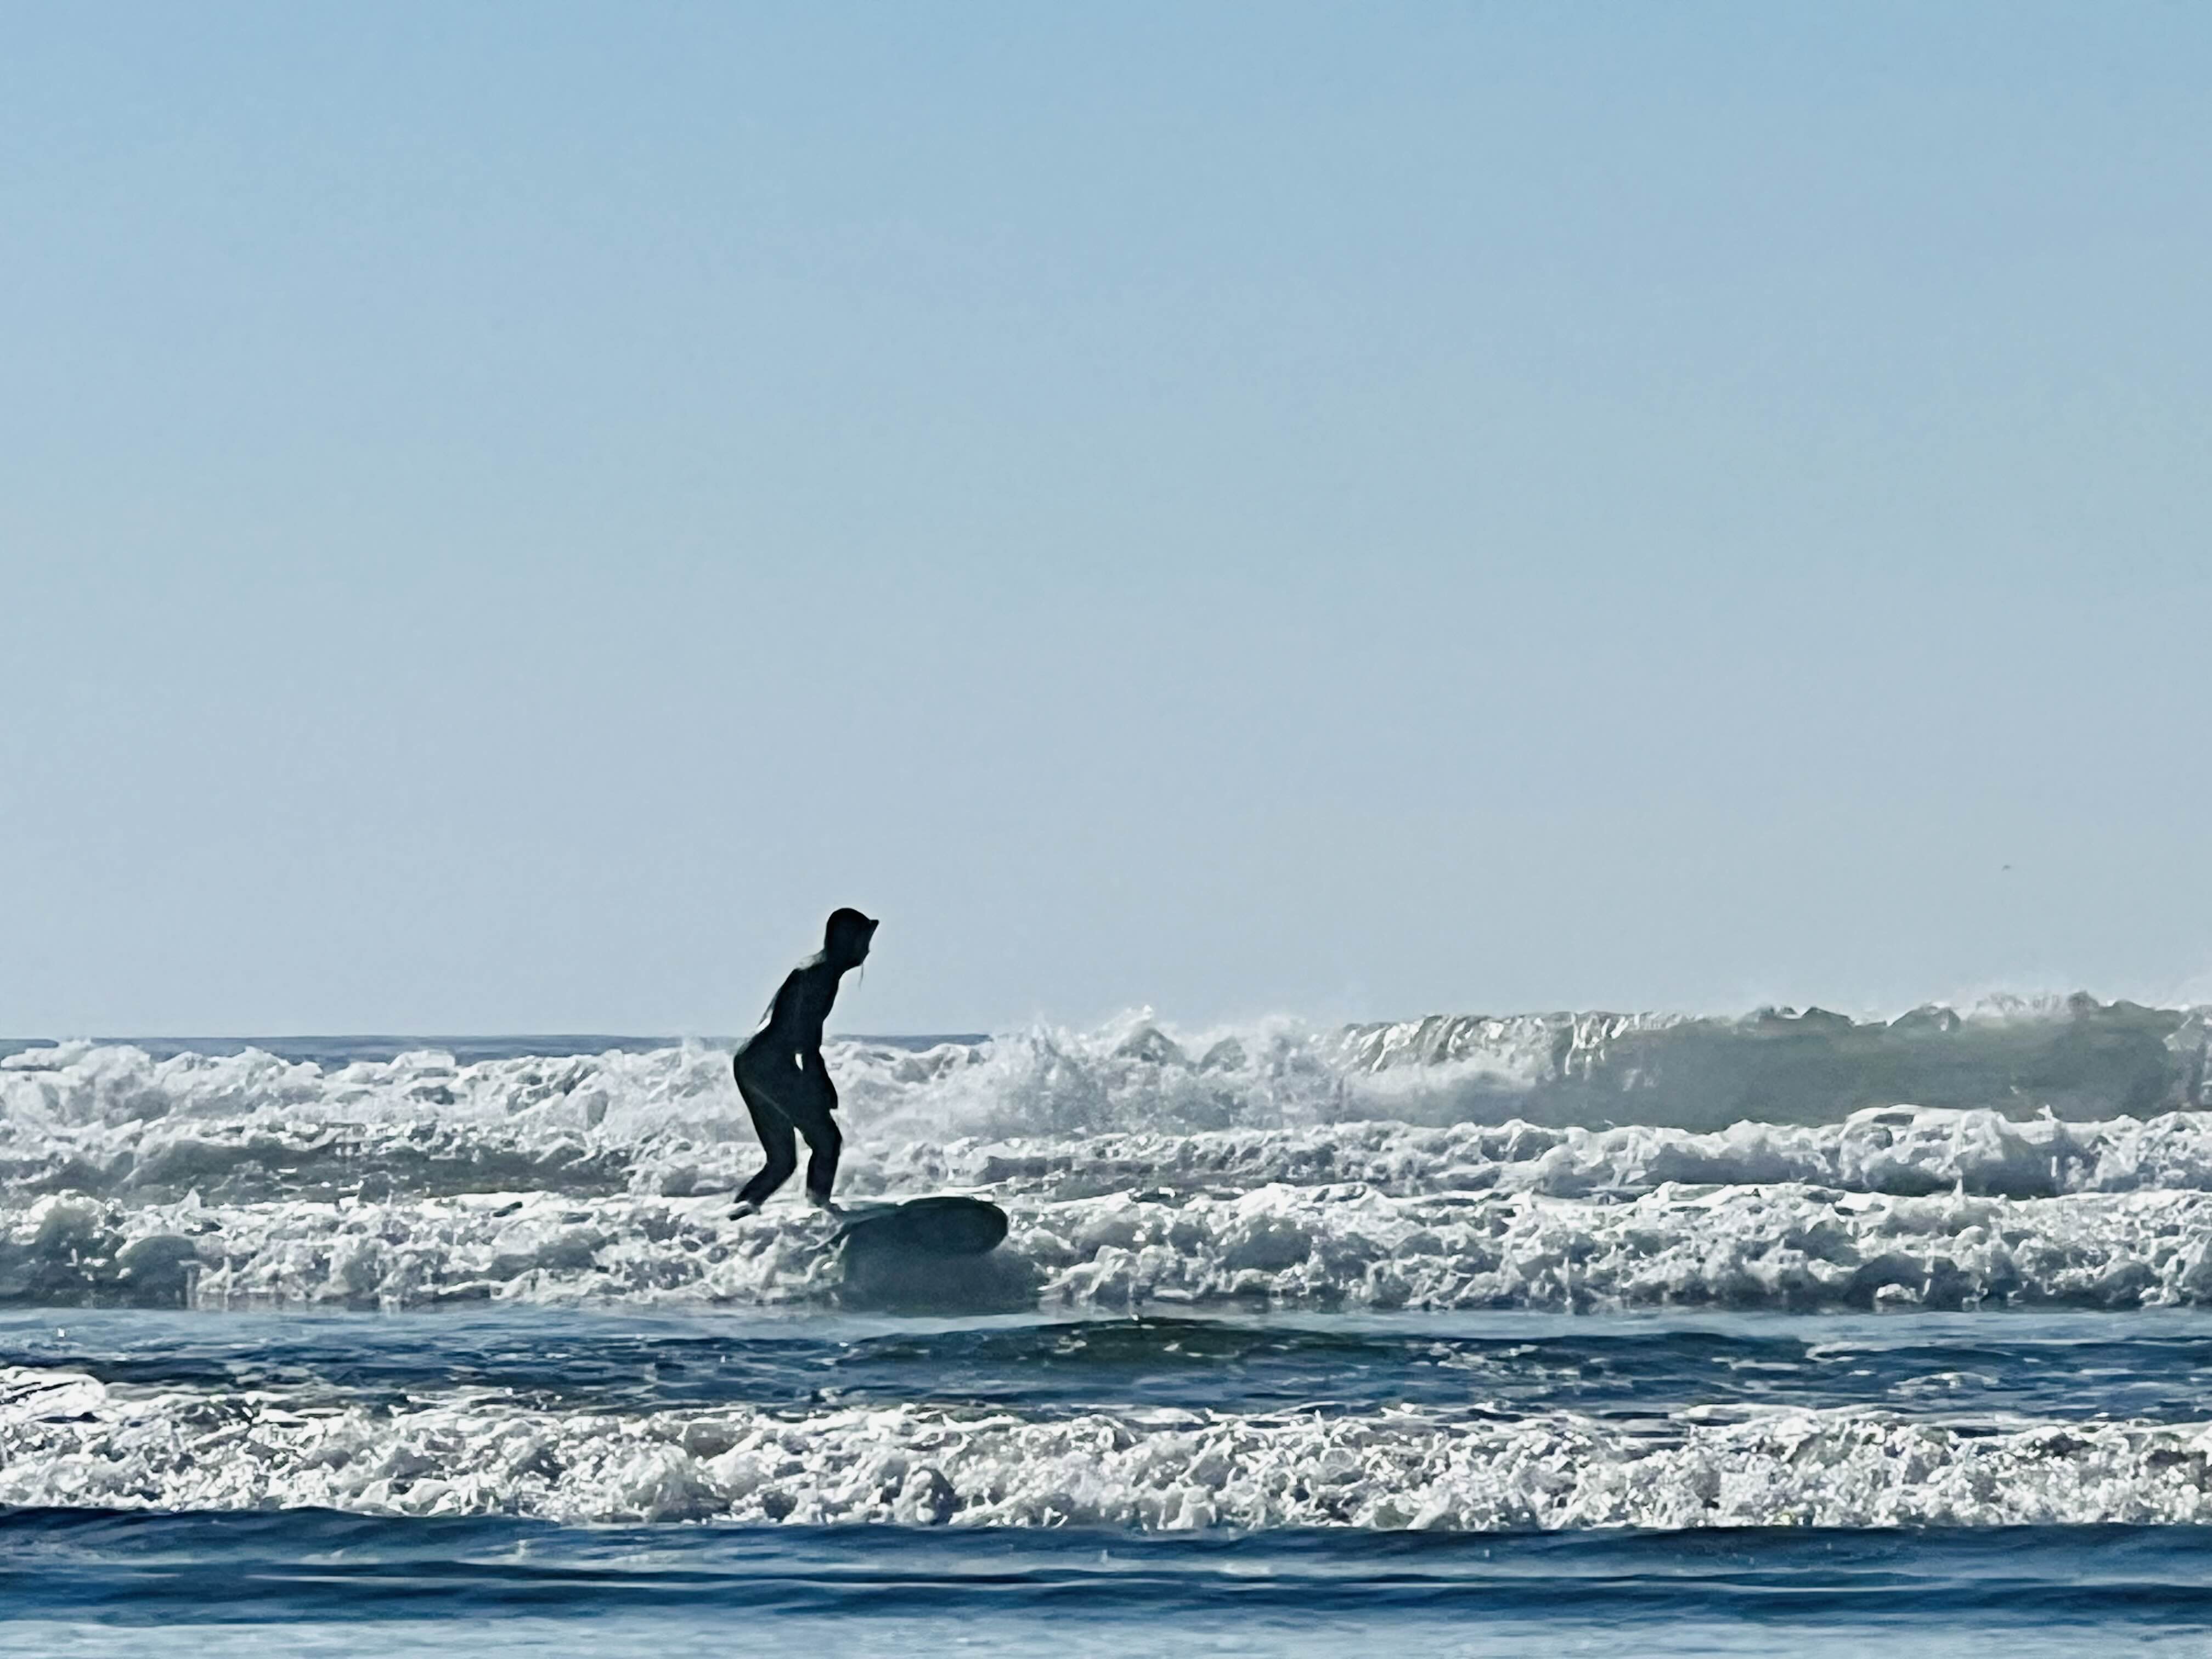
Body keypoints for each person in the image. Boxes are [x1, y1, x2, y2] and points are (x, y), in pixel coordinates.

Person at [730, 907, 878, 1216]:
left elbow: (808, 1037)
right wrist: (816, 1083)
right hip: (768, 1064)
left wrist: (819, 1082)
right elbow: (807, 1043)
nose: (868, 950)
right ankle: (820, 1215)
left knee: (782, 1163)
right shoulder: (819, 975)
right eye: (864, 940)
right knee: (827, 1141)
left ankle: (733, 1222)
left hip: (752, 1062)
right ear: (847, 941)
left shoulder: (821, 971)